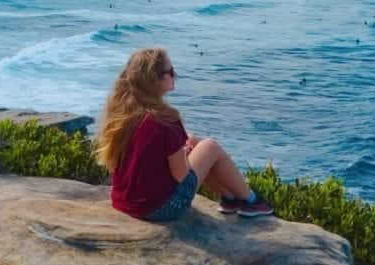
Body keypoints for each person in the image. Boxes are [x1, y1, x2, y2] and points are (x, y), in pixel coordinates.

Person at [96, 47, 274, 222]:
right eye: (171, 71)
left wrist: (185, 150)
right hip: (162, 208)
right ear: (157, 79)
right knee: (210, 146)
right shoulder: (165, 119)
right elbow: (181, 176)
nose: (175, 75)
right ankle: (252, 200)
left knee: (194, 142)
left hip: (124, 202)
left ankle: (230, 198)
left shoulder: (123, 113)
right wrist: (185, 154)